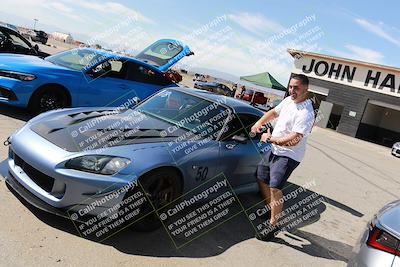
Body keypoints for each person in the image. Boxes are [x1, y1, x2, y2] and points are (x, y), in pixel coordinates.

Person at [250, 74, 315, 241]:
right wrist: (259, 123)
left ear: (306, 89)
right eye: (291, 87)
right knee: (261, 177)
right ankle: (271, 208)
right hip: (274, 150)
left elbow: (294, 140)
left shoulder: (306, 112)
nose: (292, 90)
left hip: (289, 155)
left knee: (274, 187)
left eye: (296, 88)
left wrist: (270, 139)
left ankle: (273, 225)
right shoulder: (288, 100)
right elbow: (273, 112)